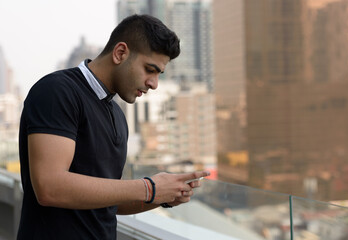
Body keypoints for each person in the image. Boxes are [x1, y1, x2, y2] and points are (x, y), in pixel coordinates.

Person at [17, 14, 210, 239]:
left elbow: (109, 201)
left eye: (159, 74)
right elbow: (49, 187)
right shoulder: (57, 91)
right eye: (150, 69)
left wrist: (162, 196)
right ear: (120, 53)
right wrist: (149, 187)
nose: (154, 84)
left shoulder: (117, 115)